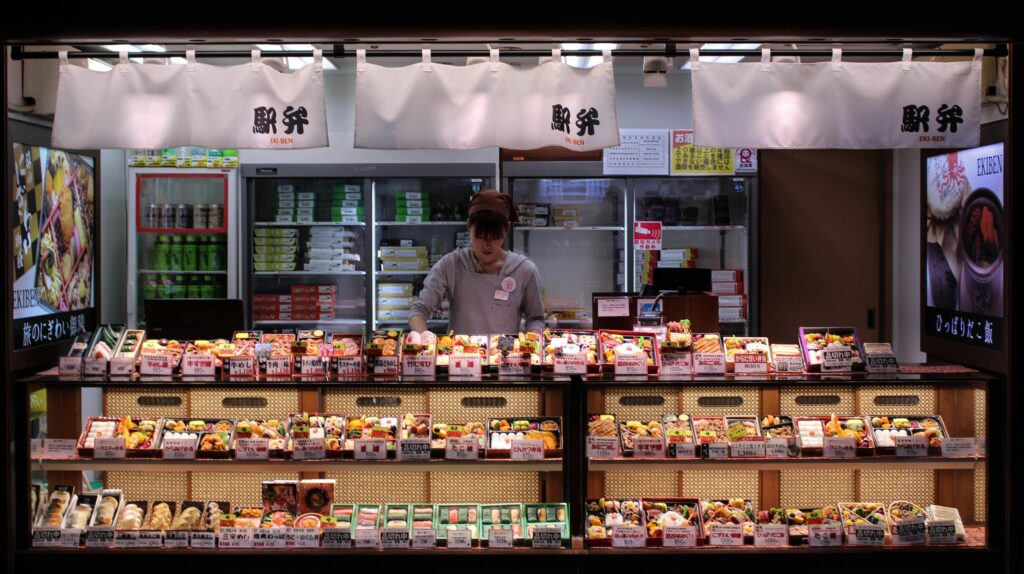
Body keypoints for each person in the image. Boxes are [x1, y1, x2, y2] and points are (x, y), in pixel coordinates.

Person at [409, 190, 545, 336]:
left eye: (494, 237)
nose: (487, 245)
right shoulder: (451, 265)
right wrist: (423, 337)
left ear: (507, 229)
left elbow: (536, 319)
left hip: (504, 355)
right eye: (480, 236)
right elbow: (419, 310)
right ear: (469, 227)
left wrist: (533, 338)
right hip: (460, 356)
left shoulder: (523, 270)